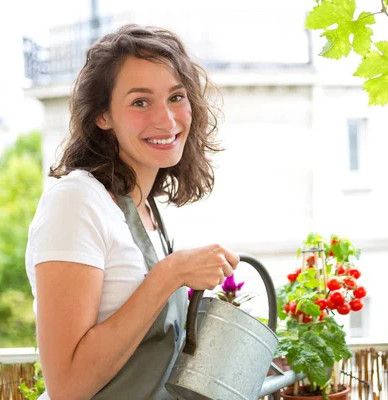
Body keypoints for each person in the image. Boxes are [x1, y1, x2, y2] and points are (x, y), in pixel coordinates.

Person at [25, 24, 239, 399]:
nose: (167, 120)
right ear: (103, 115)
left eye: (176, 97)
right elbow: (67, 385)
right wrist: (170, 274)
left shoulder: (144, 209)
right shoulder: (75, 203)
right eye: (141, 102)